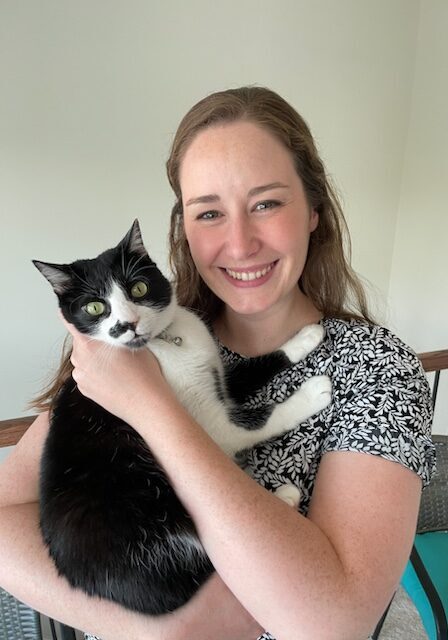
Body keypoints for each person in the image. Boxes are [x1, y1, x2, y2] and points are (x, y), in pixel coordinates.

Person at [0, 86, 435, 640]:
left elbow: (335, 622)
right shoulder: (132, 342)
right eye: (209, 212)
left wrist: (151, 407)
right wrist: (166, 629)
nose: (239, 242)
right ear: (185, 228)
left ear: (314, 211)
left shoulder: (376, 369)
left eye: (267, 203)